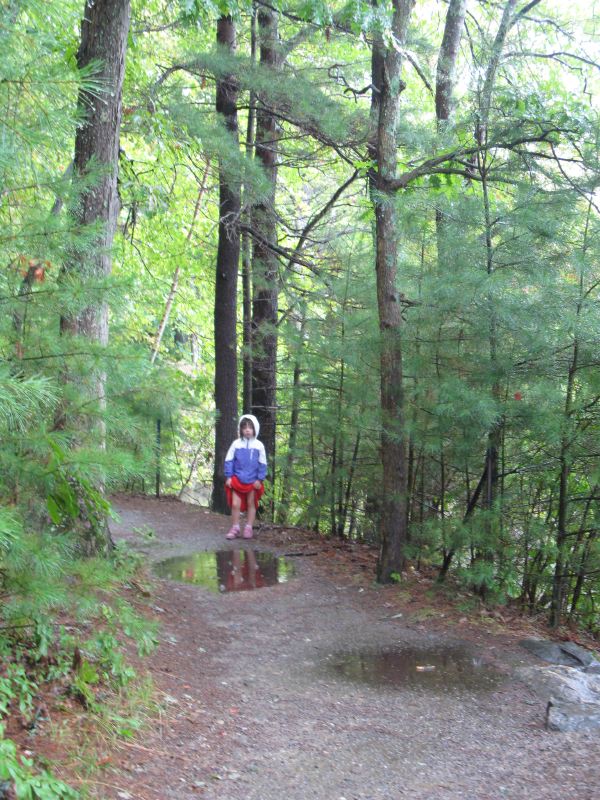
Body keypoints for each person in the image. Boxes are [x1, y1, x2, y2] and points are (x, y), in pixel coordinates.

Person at [224, 414, 267, 539]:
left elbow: (263, 463)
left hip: (253, 481)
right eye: (245, 427)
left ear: (255, 429)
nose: (247, 430)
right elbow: (229, 460)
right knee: (235, 504)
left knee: (250, 504)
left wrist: (260, 479)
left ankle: (248, 527)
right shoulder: (236, 444)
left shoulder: (259, 446)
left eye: (250, 427)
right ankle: (235, 527)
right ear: (241, 429)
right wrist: (228, 477)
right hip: (237, 479)